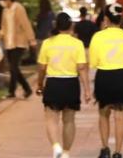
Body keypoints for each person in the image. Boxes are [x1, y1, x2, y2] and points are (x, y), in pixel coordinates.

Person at [89, 4, 123, 158]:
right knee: (120, 118)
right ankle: (118, 152)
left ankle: (105, 149)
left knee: (103, 114)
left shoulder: (98, 37)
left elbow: (93, 62)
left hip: (104, 76)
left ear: (106, 19)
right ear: (120, 19)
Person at [36, 12, 91, 158]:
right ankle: (66, 153)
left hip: (53, 83)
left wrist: (40, 84)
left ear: (56, 25)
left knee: (51, 118)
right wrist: (87, 90)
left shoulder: (47, 43)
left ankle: (56, 146)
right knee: (69, 121)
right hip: (71, 84)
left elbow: (42, 68)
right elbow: (82, 68)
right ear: (71, 26)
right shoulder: (77, 44)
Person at [0, 0, 37, 99]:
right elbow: (3, 27)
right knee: (14, 68)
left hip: (19, 42)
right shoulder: (5, 11)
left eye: (3, 1)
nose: (2, 3)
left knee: (13, 67)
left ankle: (11, 92)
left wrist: (31, 39)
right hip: (9, 42)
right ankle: (27, 89)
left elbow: (26, 24)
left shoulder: (18, 8)